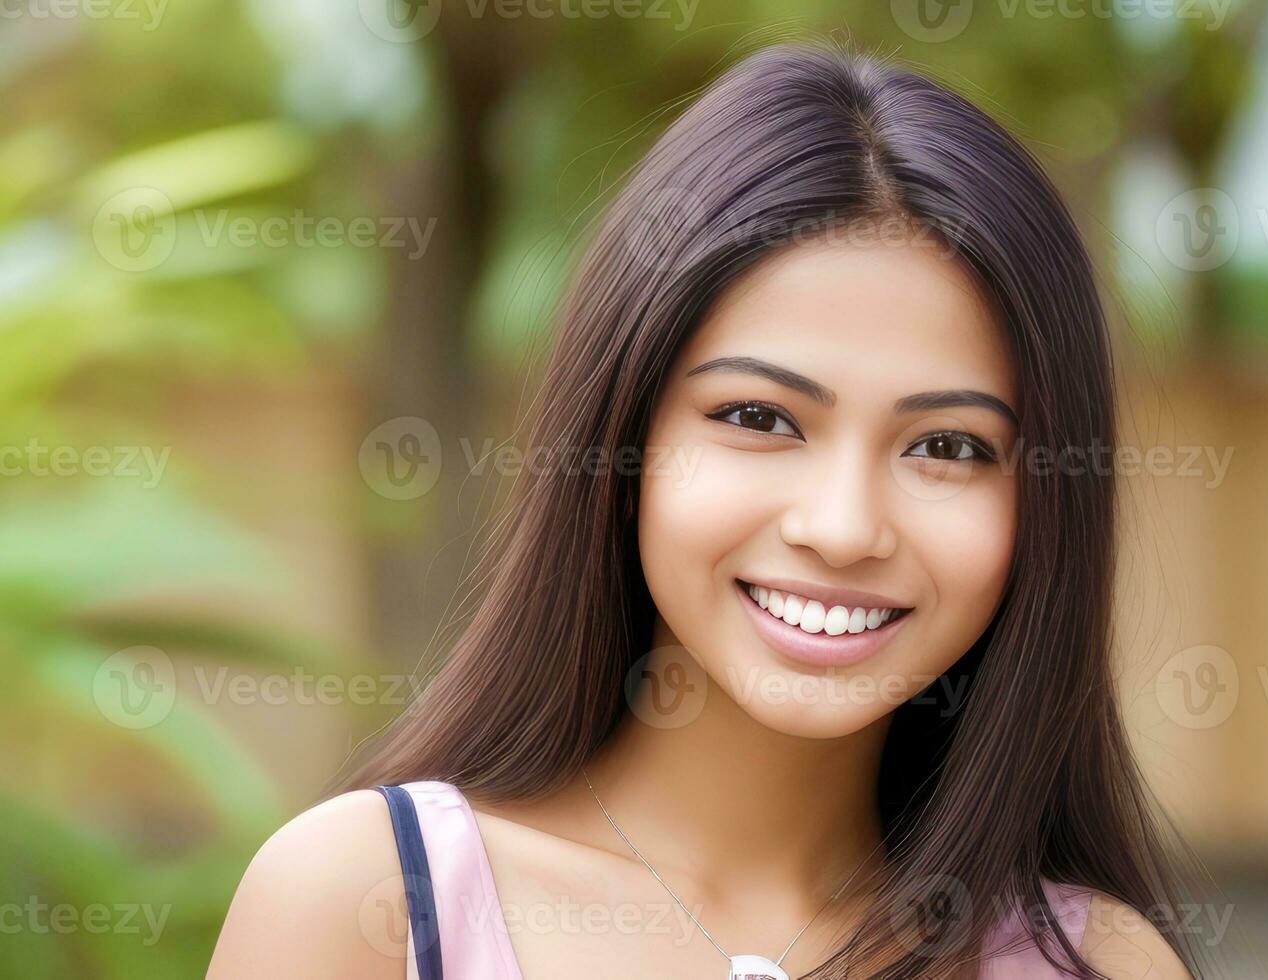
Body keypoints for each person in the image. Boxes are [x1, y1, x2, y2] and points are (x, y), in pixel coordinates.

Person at [208, 39, 1197, 980]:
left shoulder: (1098, 962)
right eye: (760, 416)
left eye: (946, 446)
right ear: (625, 436)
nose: (844, 526)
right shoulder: (366, 902)